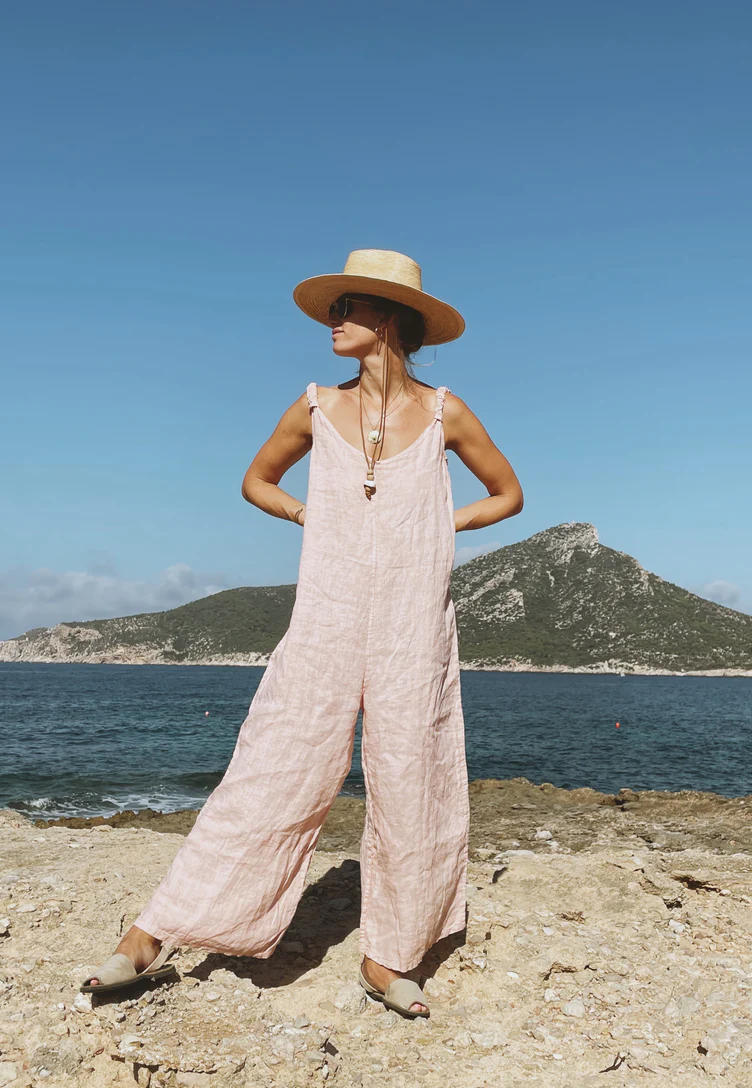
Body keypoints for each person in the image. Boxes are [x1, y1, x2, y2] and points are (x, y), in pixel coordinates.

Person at [81, 248, 523, 1018]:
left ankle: (389, 957)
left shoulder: (447, 410)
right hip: (328, 607)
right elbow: (256, 480)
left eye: (345, 310)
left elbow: (508, 495)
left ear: (386, 320)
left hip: (413, 611)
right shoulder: (315, 405)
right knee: (275, 763)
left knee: (412, 774)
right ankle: (153, 934)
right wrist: (306, 512)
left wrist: (436, 528)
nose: (331, 322)